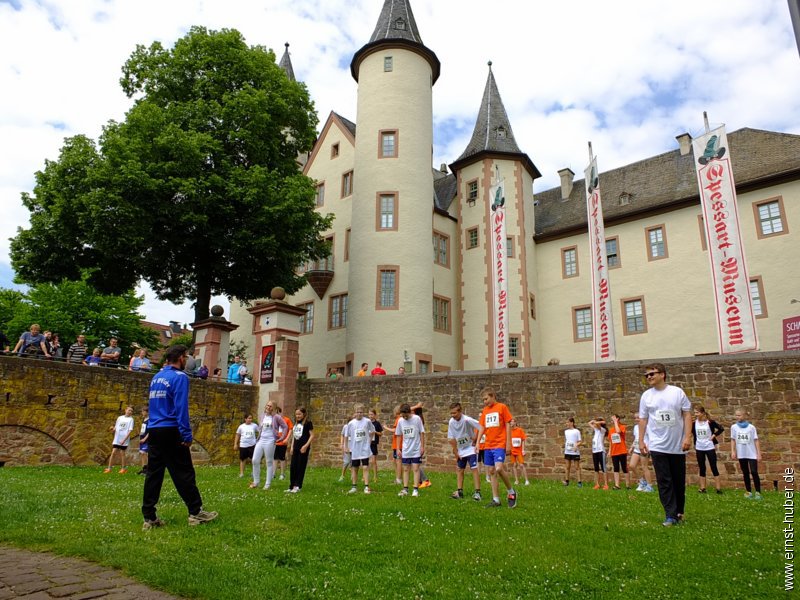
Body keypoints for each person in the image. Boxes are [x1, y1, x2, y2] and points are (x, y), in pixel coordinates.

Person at [142, 344, 218, 530]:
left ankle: (149, 517)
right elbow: (181, 407)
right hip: (171, 428)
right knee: (183, 472)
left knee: (154, 473)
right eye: (186, 357)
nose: (187, 361)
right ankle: (195, 512)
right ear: (181, 357)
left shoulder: (156, 377)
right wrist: (186, 433)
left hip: (155, 429)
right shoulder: (180, 377)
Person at [639, 362, 692, 526]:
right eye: (646, 375)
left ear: (662, 374)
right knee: (664, 480)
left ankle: (679, 511)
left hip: (677, 445)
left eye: (652, 374)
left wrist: (687, 437)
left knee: (678, 480)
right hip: (657, 445)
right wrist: (641, 441)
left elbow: (687, 414)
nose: (649, 377)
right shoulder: (646, 396)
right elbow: (643, 419)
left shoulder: (677, 393)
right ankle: (670, 515)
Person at [475, 387, 517, 508]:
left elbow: (508, 424)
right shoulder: (485, 411)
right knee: (492, 471)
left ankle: (511, 492)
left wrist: (508, 443)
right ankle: (496, 499)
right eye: (483, 400)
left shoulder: (502, 407)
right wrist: (478, 442)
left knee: (499, 468)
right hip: (488, 445)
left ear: (493, 396)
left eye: (486, 398)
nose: (485, 401)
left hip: (499, 443)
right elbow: (482, 427)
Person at [447, 402, 481, 501]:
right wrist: (455, 452)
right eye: (451, 413)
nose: (453, 415)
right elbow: (451, 438)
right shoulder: (451, 422)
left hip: (471, 448)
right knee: (459, 469)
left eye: (454, 413)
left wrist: (476, 440)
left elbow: (480, 426)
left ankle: (477, 493)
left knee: (474, 469)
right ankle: (459, 491)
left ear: (460, 411)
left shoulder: (467, 420)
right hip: (460, 449)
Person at [250, 401, 287, 490]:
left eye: (270, 406)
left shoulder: (276, 417)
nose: (268, 407)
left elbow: (285, 426)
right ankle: (256, 481)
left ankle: (267, 483)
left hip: (270, 441)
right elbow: (261, 427)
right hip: (261, 440)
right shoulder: (262, 415)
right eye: (267, 405)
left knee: (269, 462)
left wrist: (281, 438)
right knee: (255, 460)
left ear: (274, 408)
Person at [731, 408, 762, 500]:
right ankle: (748, 491)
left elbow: (756, 440)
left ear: (744, 415)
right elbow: (733, 439)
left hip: (751, 453)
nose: (737, 417)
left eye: (739, 415)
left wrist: (758, 453)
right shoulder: (734, 427)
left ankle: (758, 492)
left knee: (754, 472)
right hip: (741, 453)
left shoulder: (751, 427)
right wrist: (733, 451)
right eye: (736, 415)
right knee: (745, 472)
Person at [395, 403, 425, 497]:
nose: (404, 417)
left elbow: (422, 433)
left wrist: (422, 446)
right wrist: (398, 449)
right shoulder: (400, 421)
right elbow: (399, 434)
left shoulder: (416, 419)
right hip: (406, 449)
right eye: (402, 416)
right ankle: (405, 489)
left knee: (416, 469)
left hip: (416, 448)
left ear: (409, 412)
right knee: (406, 469)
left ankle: (415, 490)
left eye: (405, 415)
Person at [343, 403, 375, 494]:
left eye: (361, 412)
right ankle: (354, 486)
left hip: (364, 448)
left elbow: (372, 431)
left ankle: (366, 486)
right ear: (355, 412)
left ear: (363, 412)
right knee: (354, 467)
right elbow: (346, 435)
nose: (359, 414)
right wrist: (346, 447)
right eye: (357, 412)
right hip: (354, 448)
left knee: (365, 467)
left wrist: (369, 441)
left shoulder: (367, 421)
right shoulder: (351, 423)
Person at [693, 405, 724, 494]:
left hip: (709, 447)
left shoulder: (710, 422)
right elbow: (691, 433)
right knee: (702, 467)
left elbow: (721, 428)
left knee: (713, 466)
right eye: (694, 412)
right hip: (699, 447)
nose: (695, 414)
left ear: (702, 413)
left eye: (697, 412)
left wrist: (714, 435)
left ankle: (718, 488)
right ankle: (702, 487)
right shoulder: (694, 423)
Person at [287, 407, 314, 493]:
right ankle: (291, 486)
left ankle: (298, 485)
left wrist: (306, 446)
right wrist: (291, 447)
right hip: (295, 447)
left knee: (300, 466)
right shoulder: (296, 423)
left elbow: (312, 435)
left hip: (303, 448)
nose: (297, 416)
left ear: (304, 414)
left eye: (299, 414)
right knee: (293, 466)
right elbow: (294, 436)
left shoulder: (308, 423)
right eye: (296, 414)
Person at [104, 406, 135, 474]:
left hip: (124, 439)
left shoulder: (131, 419)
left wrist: (124, 440)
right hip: (117, 438)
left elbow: (130, 431)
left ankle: (123, 468)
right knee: (113, 452)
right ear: (125, 410)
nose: (130, 412)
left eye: (131, 411)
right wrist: (112, 429)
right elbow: (116, 428)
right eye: (129, 410)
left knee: (122, 453)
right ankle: (109, 468)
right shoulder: (120, 418)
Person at [629, 413, 654, 493]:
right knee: (632, 466)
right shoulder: (636, 427)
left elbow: (650, 438)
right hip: (636, 448)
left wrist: (648, 448)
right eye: (635, 418)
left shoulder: (647, 426)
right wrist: (632, 447)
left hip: (644, 449)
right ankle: (642, 481)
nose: (636, 419)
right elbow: (636, 438)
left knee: (644, 467)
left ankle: (650, 486)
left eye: (638, 418)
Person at [608, 414, 630, 490]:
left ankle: (628, 485)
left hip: (622, 451)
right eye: (612, 419)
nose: (612, 421)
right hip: (614, 452)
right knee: (616, 468)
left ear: (618, 419)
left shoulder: (622, 427)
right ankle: (617, 485)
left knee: (624, 468)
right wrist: (609, 451)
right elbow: (611, 442)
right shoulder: (611, 430)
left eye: (613, 419)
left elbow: (618, 431)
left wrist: (615, 422)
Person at [234, 414, 259, 478]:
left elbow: (260, 432)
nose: (250, 419)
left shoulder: (254, 426)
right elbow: (237, 435)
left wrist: (258, 440)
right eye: (248, 418)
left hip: (252, 445)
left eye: (251, 418)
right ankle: (242, 473)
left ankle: (253, 473)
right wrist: (235, 444)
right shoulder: (241, 426)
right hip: (243, 445)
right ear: (245, 419)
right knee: (243, 459)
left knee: (253, 459)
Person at [589, 417, 608, 490]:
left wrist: (599, 422)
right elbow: (589, 423)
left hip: (601, 451)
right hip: (595, 451)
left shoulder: (602, 430)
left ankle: (606, 484)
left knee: (603, 468)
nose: (595, 424)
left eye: (597, 422)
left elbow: (598, 424)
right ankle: (597, 484)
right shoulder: (595, 429)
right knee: (596, 468)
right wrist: (594, 421)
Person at [274, 406, 293, 481]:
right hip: (275, 442)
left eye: (278, 412)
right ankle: (273, 473)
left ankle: (282, 474)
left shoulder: (286, 419)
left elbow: (291, 429)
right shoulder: (273, 420)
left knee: (282, 458)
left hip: (283, 442)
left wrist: (287, 439)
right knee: (274, 458)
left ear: (280, 412)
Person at [509, 419, 530, 486]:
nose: (511, 423)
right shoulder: (509, 431)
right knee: (514, 465)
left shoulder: (519, 430)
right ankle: (516, 480)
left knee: (521, 465)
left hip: (519, 451)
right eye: (510, 422)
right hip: (512, 451)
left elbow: (523, 440)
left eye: (512, 422)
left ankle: (526, 480)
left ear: (515, 422)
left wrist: (523, 450)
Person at [563, 417, 582, 487]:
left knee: (577, 467)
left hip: (575, 452)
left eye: (568, 422)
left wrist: (576, 446)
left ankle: (579, 482)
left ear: (572, 423)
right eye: (566, 422)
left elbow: (580, 441)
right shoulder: (566, 431)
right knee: (567, 467)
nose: (566, 423)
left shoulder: (577, 431)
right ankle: (567, 481)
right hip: (567, 451)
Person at [368, 408, 383, 482]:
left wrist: (375, 432)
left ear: (375, 415)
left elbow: (380, 434)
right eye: (369, 414)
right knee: (365, 461)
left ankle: (375, 477)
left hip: (373, 444)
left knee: (373, 461)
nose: (370, 416)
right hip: (366, 444)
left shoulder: (377, 423)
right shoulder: (366, 422)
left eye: (372, 414)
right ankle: (365, 477)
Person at [390, 405, 403, 485]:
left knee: (398, 461)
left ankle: (399, 479)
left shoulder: (398, 419)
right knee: (395, 461)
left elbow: (395, 430)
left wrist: (386, 428)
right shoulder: (400, 419)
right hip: (396, 444)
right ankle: (398, 477)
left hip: (398, 444)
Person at [137, 407, 150, 475]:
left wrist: (145, 439)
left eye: (143, 411)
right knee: (141, 453)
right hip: (142, 438)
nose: (142, 412)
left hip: (147, 439)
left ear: (147, 412)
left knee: (144, 453)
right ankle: (143, 469)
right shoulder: (144, 419)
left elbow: (150, 431)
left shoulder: (150, 420)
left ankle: (148, 469)